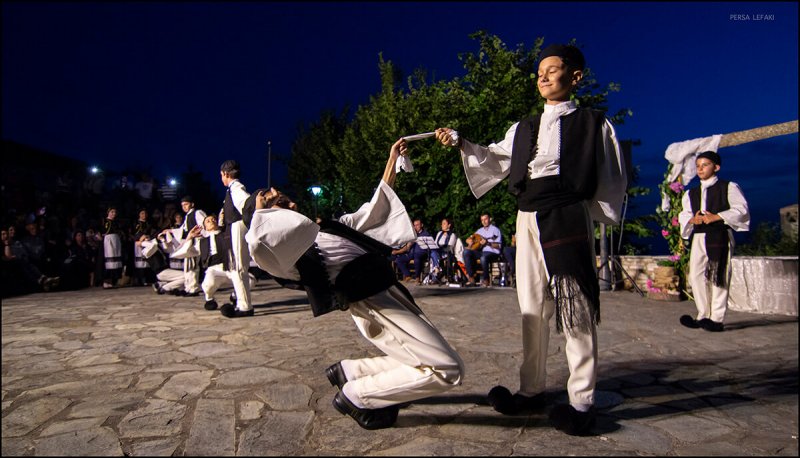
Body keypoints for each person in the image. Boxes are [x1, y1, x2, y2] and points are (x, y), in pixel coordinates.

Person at [435, 43, 627, 436]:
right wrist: (461, 143)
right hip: (528, 216)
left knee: (575, 305)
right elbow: (496, 159)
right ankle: (531, 389)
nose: (542, 76)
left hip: (567, 215)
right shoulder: (522, 128)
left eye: (552, 70)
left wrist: (593, 217)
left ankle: (582, 400)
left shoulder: (594, 123)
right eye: (539, 71)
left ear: (575, 77)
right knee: (532, 304)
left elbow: (611, 178)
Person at [245, 138, 464, 430]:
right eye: (282, 204)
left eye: (288, 199)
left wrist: (392, 160)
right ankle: (358, 395)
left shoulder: (330, 227)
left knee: (428, 355)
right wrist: (255, 208)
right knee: (447, 369)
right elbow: (259, 239)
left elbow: (376, 206)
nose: (293, 203)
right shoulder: (286, 258)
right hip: (373, 303)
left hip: (390, 291)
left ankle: (351, 371)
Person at [678, 151, 749, 333]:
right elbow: (685, 213)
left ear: (716, 167)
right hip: (700, 236)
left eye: (705, 165)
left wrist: (716, 216)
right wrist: (692, 220)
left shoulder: (728, 187)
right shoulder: (691, 193)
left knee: (719, 274)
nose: (700, 169)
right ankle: (702, 314)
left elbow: (740, 209)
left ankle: (716, 319)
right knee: (695, 274)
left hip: (719, 234)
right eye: (698, 165)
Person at [175, 213, 256, 309]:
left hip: (230, 267)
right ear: (205, 227)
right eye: (208, 221)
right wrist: (189, 237)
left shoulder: (227, 235)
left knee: (250, 280)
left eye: (213, 219)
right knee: (208, 285)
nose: (212, 221)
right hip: (214, 269)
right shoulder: (203, 242)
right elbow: (185, 252)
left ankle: (235, 295)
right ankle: (209, 299)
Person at [217, 159, 254, 318]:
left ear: (226, 174)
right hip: (235, 227)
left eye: (221, 175)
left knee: (239, 268)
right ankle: (242, 302)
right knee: (238, 267)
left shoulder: (236, 188)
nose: (221, 178)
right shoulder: (232, 190)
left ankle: (245, 306)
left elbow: (246, 205)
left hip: (238, 227)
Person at [462, 214, 503, 287]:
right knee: (466, 252)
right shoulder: (479, 231)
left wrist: (487, 243)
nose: (484, 221)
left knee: (483, 257)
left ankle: (486, 279)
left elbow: (498, 245)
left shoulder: (495, 230)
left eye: (485, 219)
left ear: (490, 219)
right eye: (482, 220)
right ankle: (471, 278)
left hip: (492, 252)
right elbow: (470, 238)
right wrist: (469, 241)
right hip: (482, 252)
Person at [178, 196, 207, 296]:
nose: (184, 207)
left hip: (196, 243)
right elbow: (183, 230)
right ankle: (188, 287)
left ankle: (193, 288)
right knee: (188, 265)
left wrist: (198, 234)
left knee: (193, 265)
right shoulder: (187, 216)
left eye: (186, 204)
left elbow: (204, 224)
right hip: (190, 242)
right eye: (183, 205)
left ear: (192, 204)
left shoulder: (197, 213)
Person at [391, 218, 433, 284]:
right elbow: (407, 247)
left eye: (417, 225)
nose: (415, 227)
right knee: (399, 259)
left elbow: (428, 246)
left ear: (422, 225)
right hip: (411, 253)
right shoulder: (412, 235)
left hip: (421, 253)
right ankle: (408, 275)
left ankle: (417, 277)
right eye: (414, 225)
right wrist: (397, 252)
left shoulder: (426, 234)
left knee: (417, 258)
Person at [100, 207, 124, 289]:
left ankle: (112, 281)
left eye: (115, 212)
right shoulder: (106, 221)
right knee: (109, 262)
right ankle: (106, 281)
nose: (114, 213)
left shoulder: (115, 222)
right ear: (108, 212)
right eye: (112, 212)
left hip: (115, 240)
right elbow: (104, 231)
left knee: (115, 262)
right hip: (109, 241)